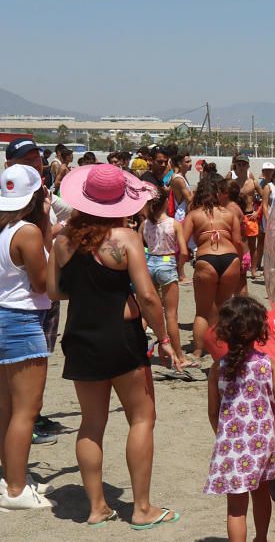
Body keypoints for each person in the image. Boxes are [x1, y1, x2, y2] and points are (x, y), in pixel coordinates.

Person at [48, 163, 181, 528]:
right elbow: (148, 295)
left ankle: (96, 508)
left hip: (80, 335)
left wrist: (89, 290)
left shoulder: (61, 239)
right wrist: (165, 339)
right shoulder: (124, 239)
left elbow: (54, 291)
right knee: (142, 417)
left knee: (91, 424)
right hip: (120, 338)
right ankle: (141, 509)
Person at [205, 296, 275, 542]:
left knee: (236, 509)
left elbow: (213, 410)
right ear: (259, 330)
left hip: (231, 442)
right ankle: (261, 538)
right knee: (261, 493)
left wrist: (221, 435)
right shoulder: (265, 365)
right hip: (260, 441)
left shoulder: (219, 367)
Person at [0, 166, 54, 510]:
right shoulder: (28, 232)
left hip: (4, 314)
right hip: (23, 320)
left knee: (6, 406)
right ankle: (16, 490)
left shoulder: (5, 230)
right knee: (26, 410)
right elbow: (40, 283)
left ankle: (10, 476)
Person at [182, 176, 243, 365]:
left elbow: (183, 243)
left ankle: (199, 352)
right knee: (224, 307)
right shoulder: (228, 214)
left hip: (206, 259)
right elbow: (238, 242)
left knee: (202, 311)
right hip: (230, 258)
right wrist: (239, 262)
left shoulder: (194, 215)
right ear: (218, 194)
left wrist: (180, 265)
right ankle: (222, 347)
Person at [142, 187, 192, 375]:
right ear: (165, 203)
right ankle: (179, 355)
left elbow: (141, 246)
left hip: (150, 263)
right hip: (167, 262)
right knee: (171, 315)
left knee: (147, 313)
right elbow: (184, 252)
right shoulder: (173, 223)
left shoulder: (145, 224)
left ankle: (138, 350)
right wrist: (180, 270)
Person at [168, 152, 194, 283]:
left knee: (182, 246)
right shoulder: (178, 179)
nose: (190, 164)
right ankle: (180, 274)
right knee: (181, 247)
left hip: (183, 214)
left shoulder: (182, 177)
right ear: (179, 164)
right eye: (187, 162)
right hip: (181, 215)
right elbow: (189, 198)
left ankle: (180, 273)